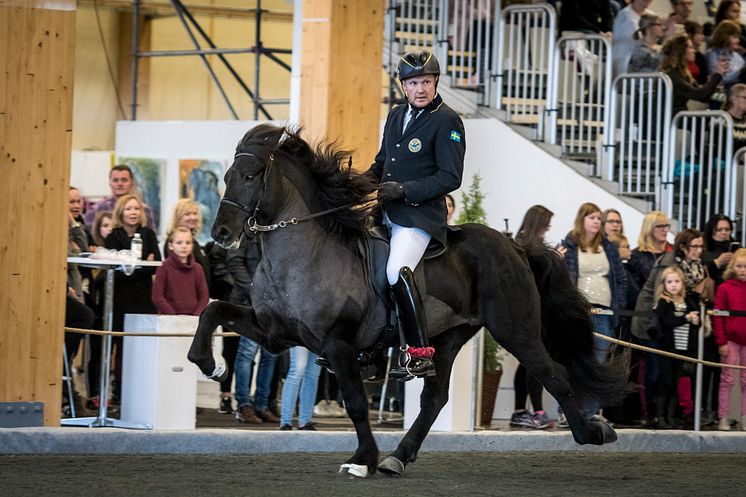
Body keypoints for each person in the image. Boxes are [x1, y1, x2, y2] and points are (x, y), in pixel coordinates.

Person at [367, 50, 465, 379]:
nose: (420, 88)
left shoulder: (447, 120)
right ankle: (367, 348)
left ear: (436, 82)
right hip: (386, 212)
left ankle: (419, 353)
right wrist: (355, 185)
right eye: (413, 83)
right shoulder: (396, 115)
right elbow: (383, 163)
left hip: (419, 218)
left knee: (396, 270)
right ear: (403, 86)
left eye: (426, 81)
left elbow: (450, 176)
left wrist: (406, 191)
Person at [632, 228, 706, 427]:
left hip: (674, 332)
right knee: (656, 372)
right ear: (683, 246)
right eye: (694, 246)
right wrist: (684, 317)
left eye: (701, 246)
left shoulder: (694, 265)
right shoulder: (670, 262)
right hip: (653, 324)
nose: (699, 250)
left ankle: (670, 415)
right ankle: (652, 414)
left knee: (672, 376)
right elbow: (661, 294)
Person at [104, 193, 161, 402]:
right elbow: (113, 269)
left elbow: (156, 263)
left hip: (144, 298)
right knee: (119, 346)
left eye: (136, 208)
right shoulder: (113, 236)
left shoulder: (148, 234)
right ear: (121, 212)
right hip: (120, 298)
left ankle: (142, 389)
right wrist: (140, 266)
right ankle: (118, 390)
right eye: (128, 209)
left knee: (142, 345)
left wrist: (131, 268)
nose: (133, 213)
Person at [509, 205, 558, 429]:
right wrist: (555, 260)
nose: (548, 227)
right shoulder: (529, 247)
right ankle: (535, 411)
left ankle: (521, 411)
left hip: (528, 312)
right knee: (534, 363)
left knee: (526, 363)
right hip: (530, 312)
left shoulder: (520, 244)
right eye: (546, 223)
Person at [227, 236, 280, 425]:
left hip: (273, 303)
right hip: (248, 302)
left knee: (270, 355)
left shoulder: (274, 228)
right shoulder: (246, 229)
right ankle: (243, 405)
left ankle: (262, 405)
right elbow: (234, 261)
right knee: (247, 353)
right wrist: (254, 288)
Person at [651, 267, 700, 428]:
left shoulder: (688, 302)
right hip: (666, 349)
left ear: (682, 283)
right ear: (663, 284)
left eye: (677, 281)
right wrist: (686, 318)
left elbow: (695, 325)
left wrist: (695, 321)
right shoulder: (664, 302)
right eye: (669, 282)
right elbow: (668, 321)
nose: (673, 285)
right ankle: (659, 416)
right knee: (664, 381)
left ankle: (671, 416)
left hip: (682, 349)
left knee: (675, 382)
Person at [713, 248, 746, 430]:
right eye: (739, 266)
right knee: (727, 380)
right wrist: (721, 341)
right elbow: (718, 317)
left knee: (745, 380)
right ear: (733, 267)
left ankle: (744, 416)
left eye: (745, 267)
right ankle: (724, 417)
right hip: (730, 341)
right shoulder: (725, 288)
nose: (742, 270)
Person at [661, 34, 726, 116]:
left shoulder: (683, 74)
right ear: (681, 51)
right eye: (690, 48)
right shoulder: (672, 75)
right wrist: (717, 75)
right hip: (670, 119)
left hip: (680, 116)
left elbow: (704, 97)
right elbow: (699, 95)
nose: (694, 51)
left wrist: (715, 80)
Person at [151, 226, 209, 316]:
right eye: (179, 243)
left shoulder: (198, 269)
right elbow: (157, 297)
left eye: (188, 243)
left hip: (194, 319)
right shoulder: (163, 268)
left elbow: (204, 297)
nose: (184, 246)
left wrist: (197, 314)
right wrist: (172, 315)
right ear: (171, 245)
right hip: (169, 319)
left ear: (192, 246)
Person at [85, 165, 156, 230]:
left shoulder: (144, 210)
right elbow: (90, 238)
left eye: (124, 180)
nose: (120, 184)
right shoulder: (95, 210)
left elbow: (151, 238)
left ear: (132, 183)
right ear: (110, 183)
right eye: (115, 180)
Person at [163, 199, 210, 287]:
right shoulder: (173, 242)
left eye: (195, 213)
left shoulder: (194, 242)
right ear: (178, 217)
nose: (193, 217)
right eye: (187, 214)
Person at [627, 211, 672, 292]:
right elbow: (635, 287)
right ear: (649, 228)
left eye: (667, 226)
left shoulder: (674, 251)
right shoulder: (636, 255)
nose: (665, 230)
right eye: (660, 226)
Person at [279, 346, 322, 431]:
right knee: (297, 371)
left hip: (319, 336)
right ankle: (285, 422)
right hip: (301, 334)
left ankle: (305, 421)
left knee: (313, 375)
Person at [612, 0, 654, 76]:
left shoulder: (649, 15)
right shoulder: (626, 15)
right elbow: (641, 39)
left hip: (637, 59)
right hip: (623, 59)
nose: (647, 3)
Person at [705, 20, 744, 87]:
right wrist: (741, 71)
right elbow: (719, 80)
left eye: (738, 37)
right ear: (724, 36)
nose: (738, 40)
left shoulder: (737, 55)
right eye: (735, 37)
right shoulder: (712, 54)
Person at [724, 84, 746, 151]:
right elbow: (722, 148)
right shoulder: (721, 119)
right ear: (734, 99)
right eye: (745, 98)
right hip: (726, 159)